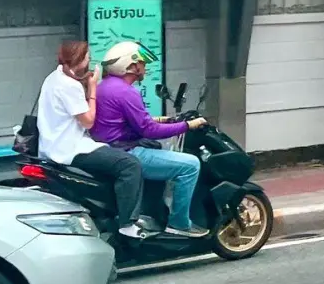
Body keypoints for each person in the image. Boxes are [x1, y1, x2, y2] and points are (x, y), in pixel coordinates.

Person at [90, 41, 210, 238]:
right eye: (142, 63)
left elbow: (122, 121)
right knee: (191, 165)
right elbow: (148, 130)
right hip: (127, 152)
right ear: (131, 65)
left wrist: (161, 120)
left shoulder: (105, 87)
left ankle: (154, 213)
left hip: (110, 149)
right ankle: (179, 223)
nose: (145, 67)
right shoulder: (126, 91)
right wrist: (188, 125)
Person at [36, 41, 147, 239]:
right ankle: (127, 223)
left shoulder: (53, 78)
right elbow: (88, 121)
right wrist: (93, 88)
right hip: (71, 148)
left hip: (53, 144)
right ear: (80, 59)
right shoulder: (68, 86)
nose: (90, 60)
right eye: (88, 56)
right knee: (129, 165)